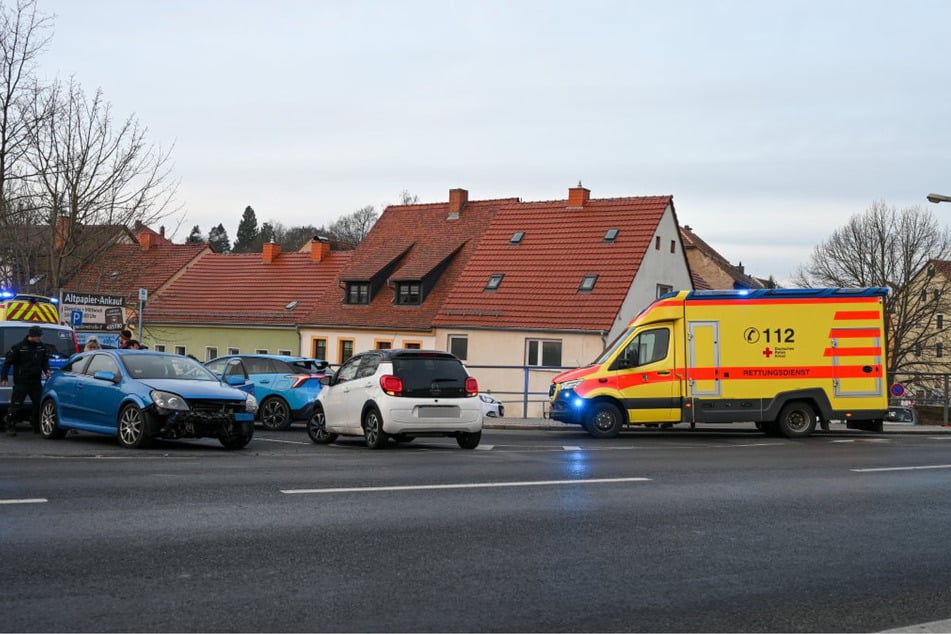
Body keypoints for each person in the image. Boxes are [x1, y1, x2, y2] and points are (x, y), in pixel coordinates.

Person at [1, 325, 51, 436]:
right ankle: (10, 426)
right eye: (37, 336)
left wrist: (47, 370)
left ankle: (37, 427)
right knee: (16, 405)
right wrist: (4, 377)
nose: (39, 338)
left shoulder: (41, 347)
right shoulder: (19, 347)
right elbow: (7, 363)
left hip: (35, 381)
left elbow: (44, 361)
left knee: (38, 404)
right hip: (22, 381)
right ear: (31, 336)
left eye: (40, 336)